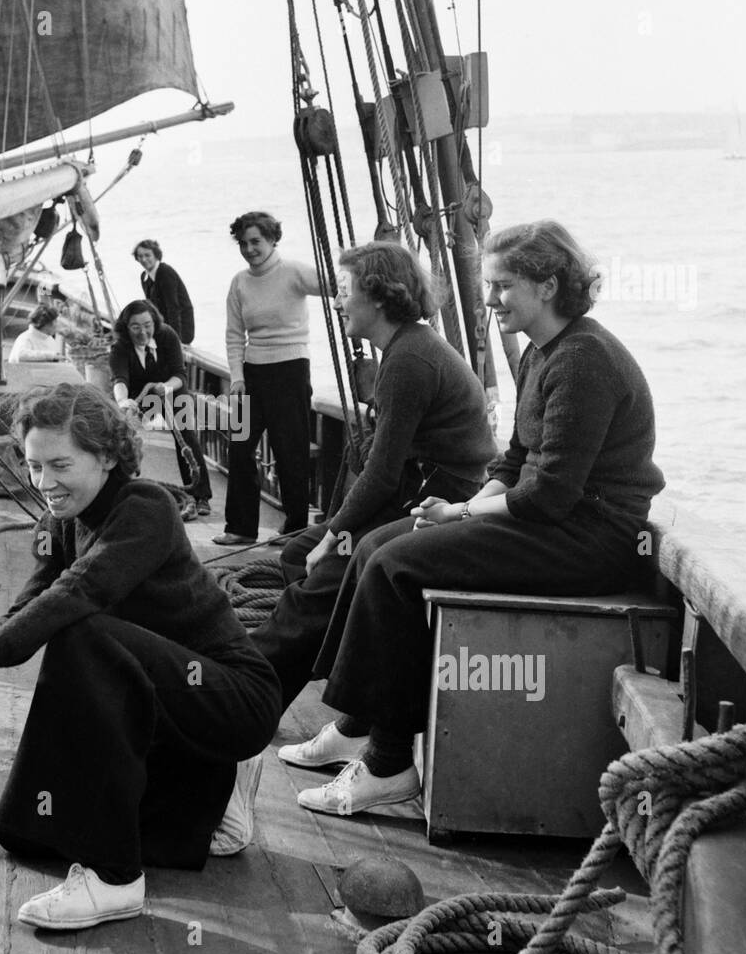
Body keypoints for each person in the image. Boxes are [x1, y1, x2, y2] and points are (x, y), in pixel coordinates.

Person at [292, 220, 666, 817]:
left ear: (547, 285)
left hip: (589, 538)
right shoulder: (545, 354)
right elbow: (515, 459)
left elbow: (546, 495)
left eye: (502, 286)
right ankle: (355, 723)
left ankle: (388, 764)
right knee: (376, 545)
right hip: (555, 522)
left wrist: (462, 509)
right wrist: (453, 514)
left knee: (395, 565)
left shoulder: (584, 360)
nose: (488, 302)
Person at [0, 384, 280, 930]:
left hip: (232, 698)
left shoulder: (146, 509)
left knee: (82, 634)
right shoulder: (62, 519)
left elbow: (77, 593)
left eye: (60, 465)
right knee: (23, 831)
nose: (44, 483)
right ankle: (212, 795)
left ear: (107, 456)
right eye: (34, 467)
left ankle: (115, 879)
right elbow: (36, 596)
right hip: (161, 706)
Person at [253, 241, 496, 756]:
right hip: (416, 485)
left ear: (380, 297)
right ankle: (348, 707)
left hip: (433, 496)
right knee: (299, 553)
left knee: (321, 573)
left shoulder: (410, 360)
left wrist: (337, 534)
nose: (337, 303)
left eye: (344, 292)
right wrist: (331, 533)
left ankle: (252, 703)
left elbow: (382, 475)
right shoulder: (407, 347)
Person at [217, 210, 324, 545]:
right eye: (243, 243)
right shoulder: (239, 282)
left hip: (291, 370)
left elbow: (336, 285)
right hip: (253, 373)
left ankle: (295, 528)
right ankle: (240, 527)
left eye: (256, 241)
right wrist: (237, 378)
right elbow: (234, 335)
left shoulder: (293, 272)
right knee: (239, 447)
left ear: (272, 239)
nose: (250, 249)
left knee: (290, 450)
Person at [109, 299, 212, 517]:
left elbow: (180, 374)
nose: (142, 332)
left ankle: (200, 494)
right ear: (126, 328)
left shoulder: (167, 335)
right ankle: (116, 490)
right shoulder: (120, 347)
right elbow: (120, 379)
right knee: (120, 434)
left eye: (147, 325)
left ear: (155, 323)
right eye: (135, 327)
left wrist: (165, 388)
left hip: (171, 389)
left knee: (186, 436)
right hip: (139, 395)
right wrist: (124, 402)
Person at [134, 239, 195, 345]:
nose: (143, 259)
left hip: (181, 328)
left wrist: (175, 339)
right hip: (164, 325)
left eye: (147, 255)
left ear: (156, 255)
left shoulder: (165, 273)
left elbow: (174, 308)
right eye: (140, 256)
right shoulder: (144, 276)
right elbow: (152, 308)